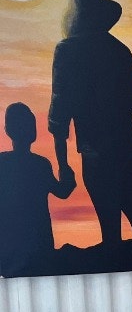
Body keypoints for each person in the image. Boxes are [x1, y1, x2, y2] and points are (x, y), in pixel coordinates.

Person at [48, 0, 132, 248]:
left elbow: (59, 116)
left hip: (96, 157)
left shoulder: (66, 52)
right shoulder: (119, 50)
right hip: (128, 152)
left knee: (110, 232)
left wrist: (63, 164)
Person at [0, 102, 76, 277]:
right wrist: (66, 172)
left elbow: (63, 191)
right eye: (29, 123)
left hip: (14, 249)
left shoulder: (7, 163)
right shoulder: (40, 164)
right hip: (37, 246)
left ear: (7, 130)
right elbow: (63, 191)